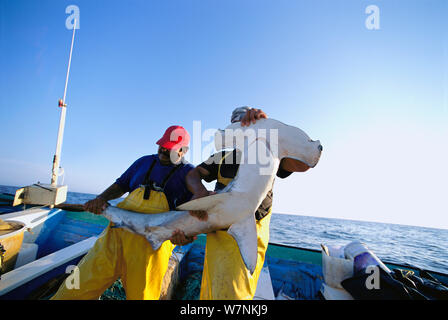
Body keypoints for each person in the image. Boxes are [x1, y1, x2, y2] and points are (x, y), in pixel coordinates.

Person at [175, 106, 311, 300]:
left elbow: (303, 163)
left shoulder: (269, 153)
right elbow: (193, 174)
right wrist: (199, 191)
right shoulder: (221, 156)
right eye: (238, 126)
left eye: (248, 125)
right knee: (210, 293)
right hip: (217, 234)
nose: (244, 130)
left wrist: (269, 131)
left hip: (247, 233)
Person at [51, 125, 196, 300]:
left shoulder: (190, 174)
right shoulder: (143, 162)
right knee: (74, 290)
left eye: (170, 149)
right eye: (162, 145)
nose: (163, 151)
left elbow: (193, 216)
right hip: (115, 237)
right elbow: (120, 185)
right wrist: (101, 199)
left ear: (184, 150)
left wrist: (188, 236)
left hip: (150, 248)